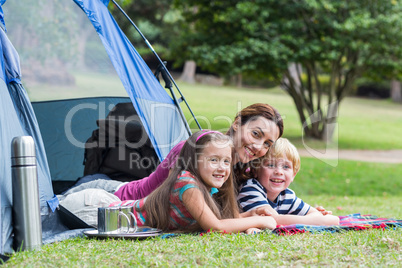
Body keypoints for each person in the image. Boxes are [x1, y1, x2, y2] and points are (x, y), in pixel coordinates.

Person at [64, 103, 284, 200]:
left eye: (267, 144)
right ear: (237, 123)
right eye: (256, 134)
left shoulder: (239, 167)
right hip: (109, 194)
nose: (259, 147)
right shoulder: (201, 146)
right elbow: (170, 200)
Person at [110, 131, 277, 232]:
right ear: (195, 161)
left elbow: (211, 220)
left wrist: (249, 215)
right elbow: (216, 227)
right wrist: (261, 221)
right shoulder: (186, 183)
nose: (222, 168)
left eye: (226, 161)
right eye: (213, 160)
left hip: (115, 215)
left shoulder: (206, 186)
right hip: (106, 216)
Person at [237, 138, 340, 226]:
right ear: (255, 170)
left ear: (293, 175)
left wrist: (318, 216)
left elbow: (324, 217)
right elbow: (272, 220)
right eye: (271, 165)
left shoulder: (287, 195)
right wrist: (316, 221)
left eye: (286, 167)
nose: (279, 172)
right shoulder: (250, 189)